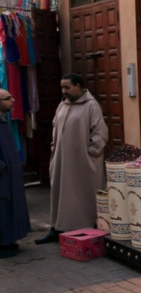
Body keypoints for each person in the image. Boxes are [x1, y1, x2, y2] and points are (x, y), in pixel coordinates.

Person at [35, 73, 108, 244]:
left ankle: (85, 228)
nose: (64, 91)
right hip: (61, 160)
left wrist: (91, 153)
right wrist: (54, 150)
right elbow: (55, 128)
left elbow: (100, 133)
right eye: (62, 87)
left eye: (67, 87)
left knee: (82, 195)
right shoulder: (62, 105)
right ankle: (57, 227)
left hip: (83, 162)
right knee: (60, 194)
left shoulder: (91, 106)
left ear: (78, 86)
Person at [0, 90, 30, 257]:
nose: (13, 100)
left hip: (10, 175)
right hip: (3, 176)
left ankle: (9, 241)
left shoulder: (4, 120)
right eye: (8, 98)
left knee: (10, 207)